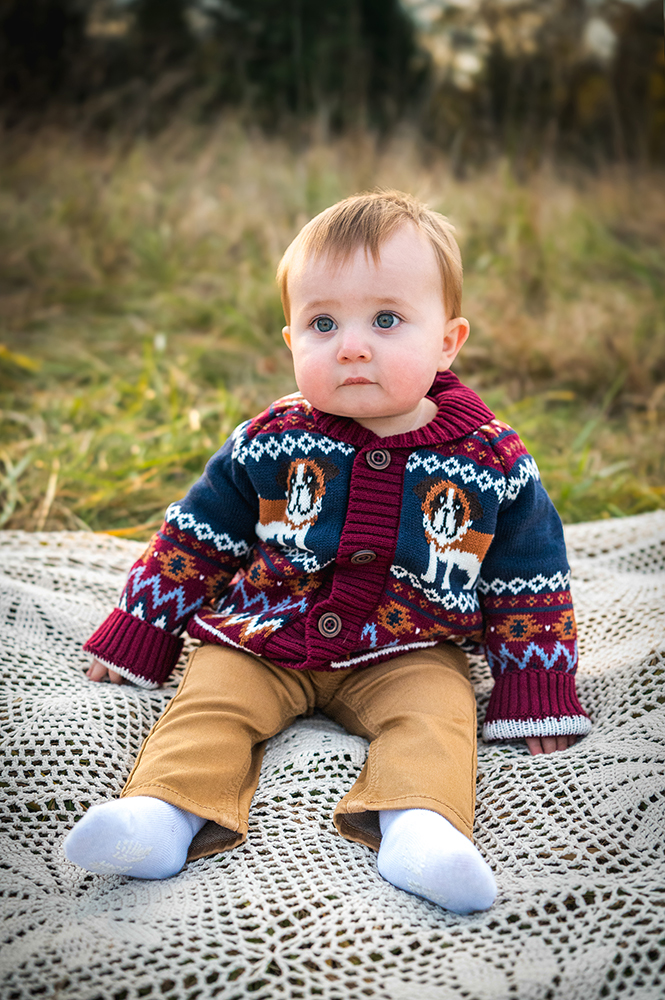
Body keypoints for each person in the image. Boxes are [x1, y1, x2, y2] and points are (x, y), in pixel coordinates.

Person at [63, 190, 590, 914]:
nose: (351, 344)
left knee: (437, 718)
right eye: (322, 322)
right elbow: (196, 537)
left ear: (447, 340)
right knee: (208, 703)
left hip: (410, 645)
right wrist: (143, 628)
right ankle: (161, 816)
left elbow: (527, 580)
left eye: (385, 319)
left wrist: (536, 690)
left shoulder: (489, 459)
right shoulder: (269, 439)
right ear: (290, 342)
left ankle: (420, 827)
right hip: (263, 633)